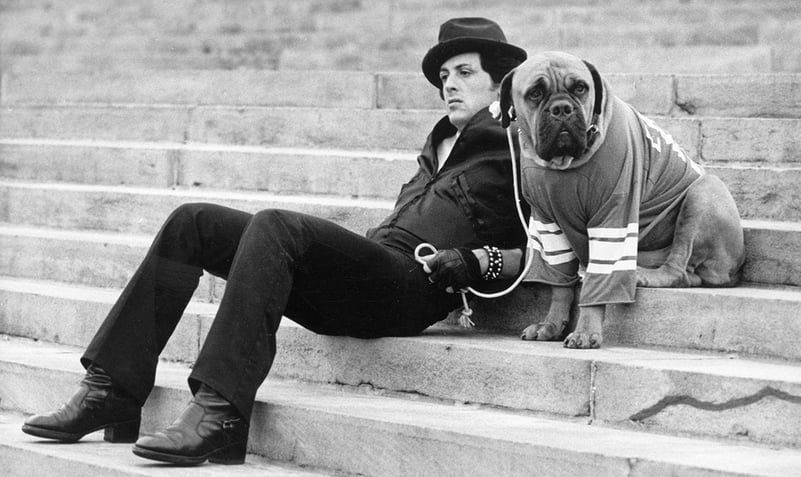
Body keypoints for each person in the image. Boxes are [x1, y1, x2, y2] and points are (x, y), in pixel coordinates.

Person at [21, 17, 528, 466]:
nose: (449, 85)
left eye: (465, 73)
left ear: (501, 83)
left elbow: (548, 248)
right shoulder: (439, 145)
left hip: (414, 287)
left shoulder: (518, 146)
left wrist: (478, 260)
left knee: (277, 224)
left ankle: (219, 410)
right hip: (371, 275)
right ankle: (111, 389)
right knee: (193, 221)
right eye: (444, 76)